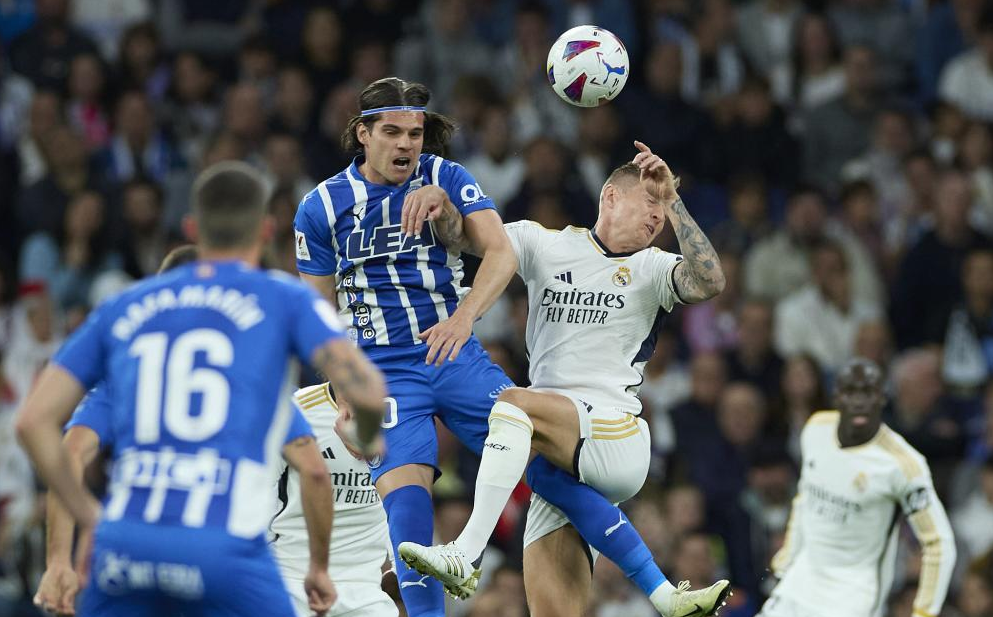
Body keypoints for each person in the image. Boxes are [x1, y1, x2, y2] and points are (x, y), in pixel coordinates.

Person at [293, 77, 725, 617]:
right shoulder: (320, 206)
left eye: (416, 133)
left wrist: (460, 305)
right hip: (382, 371)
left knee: (538, 463)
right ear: (363, 134)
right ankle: (660, 595)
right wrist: (343, 391)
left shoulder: (448, 175)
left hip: (455, 355)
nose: (407, 145)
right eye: (393, 133)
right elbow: (316, 315)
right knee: (407, 510)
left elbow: (490, 248)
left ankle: (652, 589)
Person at [15, 161, 387, 617]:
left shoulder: (125, 308)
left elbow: (34, 422)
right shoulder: (279, 302)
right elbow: (359, 403)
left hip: (125, 549)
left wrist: (77, 537)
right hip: (222, 550)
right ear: (266, 229)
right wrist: (367, 439)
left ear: (192, 227)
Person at [401, 143, 732, 616]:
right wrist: (442, 205)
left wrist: (676, 201)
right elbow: (464, 238)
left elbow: (711, 282)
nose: (659, 215)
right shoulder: (545, 244)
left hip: (613, 432)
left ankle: (465, 551)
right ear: (611, 197)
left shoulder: (653, 267)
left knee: (512, 402)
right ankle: (665, 597)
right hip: (558, 443)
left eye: (666, 205)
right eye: (651, 201)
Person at [757, 358, 956, 617]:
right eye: (851, 391)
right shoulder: (816, 429)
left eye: (868, 392)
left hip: (852, 600)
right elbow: (806, 498)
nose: (860, 401)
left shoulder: (902, 464)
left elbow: (939, 543)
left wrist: (924, 612)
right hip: (800, 583)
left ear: (883, 397)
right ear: (836, 396)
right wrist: (787, 558)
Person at [269, 383, 397, 617]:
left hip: (366, 592)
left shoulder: (407, 414)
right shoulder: (297, 408)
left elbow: (402, 501)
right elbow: (257, 493)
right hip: (291, 582)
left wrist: (399, 567)